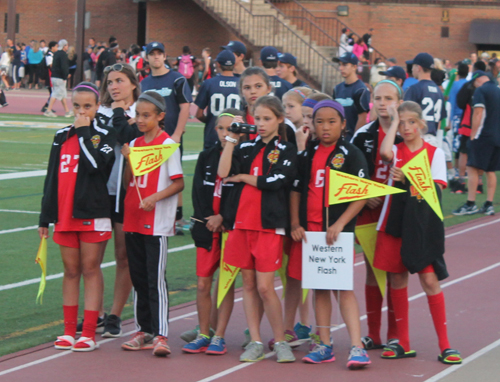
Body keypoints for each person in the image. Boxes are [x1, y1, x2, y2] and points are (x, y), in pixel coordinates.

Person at [377, 101, 462, 365]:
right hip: (396, 222)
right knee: (397, 280)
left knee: (429, 281)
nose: (406, 127)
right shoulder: (396, 148)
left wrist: (409, 178)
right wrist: (392, 121)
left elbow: (436, 189)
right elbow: (384, 152)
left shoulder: (433, 152)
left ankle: (445, 346)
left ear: (421, 124)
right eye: (402, 123)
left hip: (422, 225)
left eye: (411, 122)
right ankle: (403, 342)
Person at [290, 99, 371, 368]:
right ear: (312, 124)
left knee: (343, 287)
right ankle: (323, 342)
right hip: (312, 233)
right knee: (319, 288)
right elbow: (297, 190)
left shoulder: (351, 153)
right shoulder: (308, 153)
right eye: (319, 122)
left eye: (331, 122)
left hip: (338, 234)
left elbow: (360, 194)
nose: (325, 127)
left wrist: (340, 224)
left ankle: (357, 346)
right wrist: (295, 222)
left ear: (343, 124)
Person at [218, 95, 297, 363]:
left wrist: (244, 178)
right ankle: (255, 340)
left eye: (267, 119)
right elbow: (223, 171)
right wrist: (231, 139)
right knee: (248, 284)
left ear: (279, 120)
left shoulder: (286, 149)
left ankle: (281, 341)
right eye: (257, 118)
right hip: (241, 224)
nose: (261, 124)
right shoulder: (244, 147)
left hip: (268, 225)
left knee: (265, 287)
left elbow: (277, 181)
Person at [38, 82, 116, 352]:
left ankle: (89, 333)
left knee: (90, 269)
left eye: (88, 106)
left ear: (97, 107)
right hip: (64, 215)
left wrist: (84, 132)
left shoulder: (103, 135)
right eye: (77, 106)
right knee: (71, 271)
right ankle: (69, 331)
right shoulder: (61, 135)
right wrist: (44, 217)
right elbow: (52, 177)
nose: (82, 111)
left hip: (93, 213)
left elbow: (96, 166)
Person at [120, 91, 184, 357]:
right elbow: (127, 184)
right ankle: (142, 330)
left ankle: (161, 334)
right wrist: (127, 160)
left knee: (155, 279)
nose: (141, 120)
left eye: (147, 115)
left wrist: (155, 198)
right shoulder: (134, 144)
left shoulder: (168, 145)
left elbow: (179, 182)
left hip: (155, 222)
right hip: (132, 218)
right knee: (138, 278)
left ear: (160, 116)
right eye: (138, 115)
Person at [182, 109, 244, 355]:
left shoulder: (243, 156)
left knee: (225, 284)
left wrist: (223, 217)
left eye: (231, 128)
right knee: (202, 284)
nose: (225, 133)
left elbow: (239, 195)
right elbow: (197, 192)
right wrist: (208, 217)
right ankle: (204, 332)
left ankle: (219, 336)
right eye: (220, 128)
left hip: (229, 229)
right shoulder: (205, 156)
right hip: (206, 228)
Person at [88, 63, 141, 337]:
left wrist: (128, 124)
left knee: (123, 254)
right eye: (109, 82)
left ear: (133, 83)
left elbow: (131, 138)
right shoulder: (101, 113)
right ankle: (94, 313)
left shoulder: (142, 112)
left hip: (127, 192)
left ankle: (115, 315)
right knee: (92, 257)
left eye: (119, 80)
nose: (114, 87)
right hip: (99, 191)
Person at [351, 80, 403, 351]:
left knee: (395, 272)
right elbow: (350, 173)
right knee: (372, 271)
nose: (383, 103)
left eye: (389, 98)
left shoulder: (407, 132)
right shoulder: (362, 134)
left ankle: (396, 333)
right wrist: (363, 193)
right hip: (370, 213)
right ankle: (374, 333)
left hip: (397, 213)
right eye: (378, 98)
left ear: (399, 101)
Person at [140, 42, 192, 231]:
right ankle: (153, 210)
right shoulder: (144, 83)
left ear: (164, 56)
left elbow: (184, 106)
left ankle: (177, 217)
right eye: (152, 54)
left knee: (174, 177)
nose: (156, 57)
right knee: (151, 175)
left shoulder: (177, 79)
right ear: (147, 58)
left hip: (170, 137)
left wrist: (177, 133)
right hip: (149, 139)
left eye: (159, 53)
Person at [453, 71, 500, 216]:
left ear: (479, 79)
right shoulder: (498, 90)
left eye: (474, 82)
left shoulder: (481, 90)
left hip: (483, 135)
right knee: (490, 170)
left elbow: (478, 113)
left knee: (472, 167)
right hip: (497, 136)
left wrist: (473, 134)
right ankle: (488, 204)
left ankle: (470, 203)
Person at [195, 50, 241, 149]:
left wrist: (212, 121)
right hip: (235, 135)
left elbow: (198, 114)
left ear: (218, 64)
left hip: (213, 134)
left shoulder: (209, 83)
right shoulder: (242, 84)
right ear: (234, 63)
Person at [404, 53, 446, 146]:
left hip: (418, 138)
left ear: (418, 68)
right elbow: (439, 121)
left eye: (413, 66)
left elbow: (405, 114)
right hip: (433, 139)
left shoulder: (414, 89)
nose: (412, 69)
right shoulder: (439, 91)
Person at [332, 52, 371, 141]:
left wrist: (354, 141)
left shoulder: (360, 90)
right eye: (340, 65)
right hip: (337, 139)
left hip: (350, 140)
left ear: (354, 67)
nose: (341, 68)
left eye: (345, 65)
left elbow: (362, 118)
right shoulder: (337, 88)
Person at [446, 63, 468, 193]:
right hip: (467, 118)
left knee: (457, 148)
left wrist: (450, 119)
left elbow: (452, 103)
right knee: (463, 147)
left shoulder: (455, 85)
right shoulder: (469, 84)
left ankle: (457, 171)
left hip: (457, 118)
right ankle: (462, 171)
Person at [44, 39, 73, 118]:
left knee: (63, 94)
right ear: (64, 46)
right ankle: (48, 110)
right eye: (66, 45)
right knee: (56, 93)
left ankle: (67, 111)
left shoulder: (56, 53)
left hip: (54, 76)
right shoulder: (63, 54)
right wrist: (65, 75)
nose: (67, 47)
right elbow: (64, 66)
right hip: (59, 77)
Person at [41, 41, 58, 113]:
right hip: (50, 76)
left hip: (52, 76)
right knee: (53, 93)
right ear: (52, 47)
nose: (57, 48)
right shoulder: (49, 55)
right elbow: (50, 65)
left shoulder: (52, 55)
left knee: (53, 93)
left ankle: (47, 106)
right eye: (56, 46)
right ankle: (47, 107)